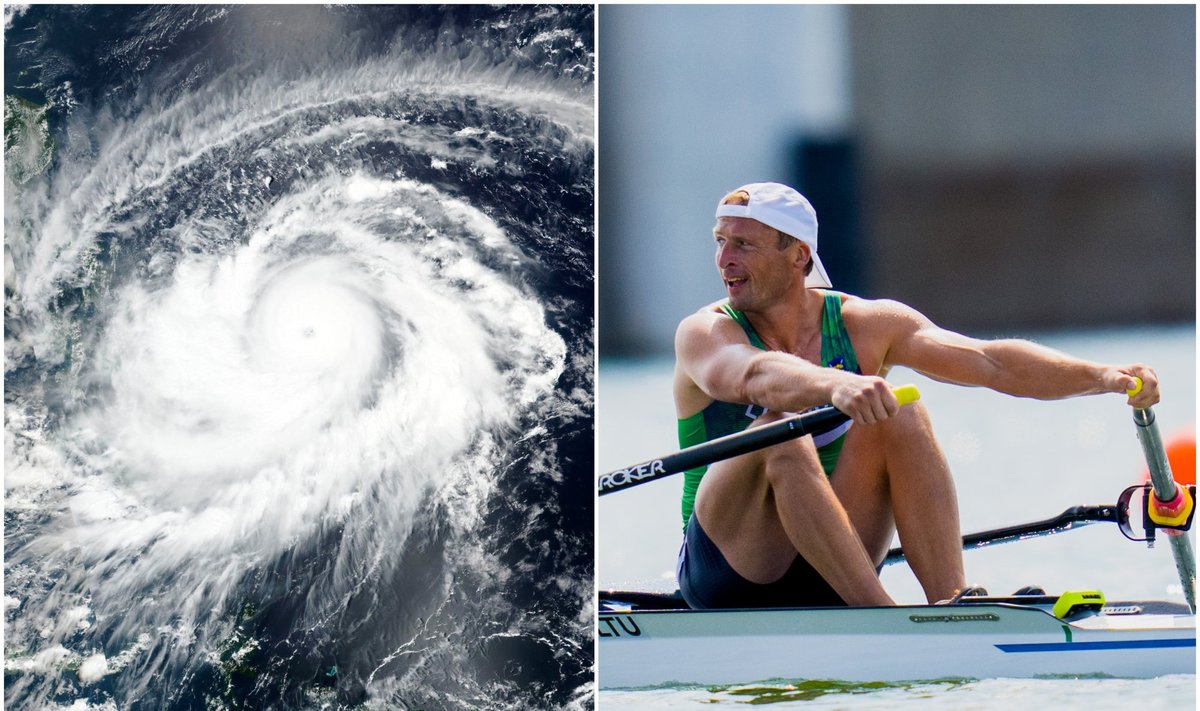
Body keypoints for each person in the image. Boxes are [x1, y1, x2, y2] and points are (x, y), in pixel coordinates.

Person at [673, 181, 1159, 609]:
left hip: (838, 562)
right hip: (728, 568)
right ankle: (881, 618)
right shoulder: (706, 332)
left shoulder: (867, 325)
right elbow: (750, 374)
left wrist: (1103, 376)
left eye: (743, 244)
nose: (724, 260)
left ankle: (950, 604)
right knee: (779, 430)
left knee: (901, 408)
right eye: (720, 242)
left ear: (798, 254)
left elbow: (991, 362)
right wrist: (836, 383)